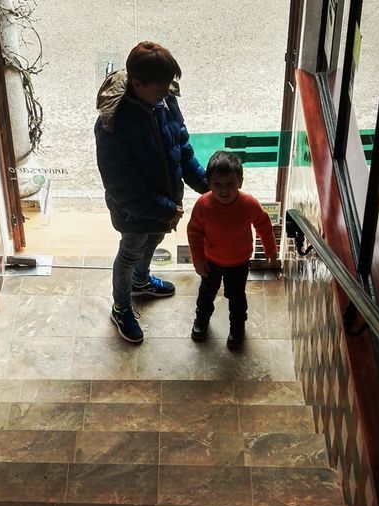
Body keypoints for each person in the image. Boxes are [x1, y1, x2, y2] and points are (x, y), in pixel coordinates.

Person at [95, 40, 208, 344]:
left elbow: (181, 145)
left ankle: (141, 282)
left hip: (165, 203)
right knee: (130, 251)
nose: (165, 96)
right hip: (134, 210)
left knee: (154, 239)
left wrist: (204, 183)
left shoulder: (164, 99)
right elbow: (122, 184)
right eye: (159, 90)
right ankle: (121, 307)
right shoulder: (113, 125)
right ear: (137, 83)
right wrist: (165, 209)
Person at [186, 150, 278, 350]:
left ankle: (237, 327)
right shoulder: (203, 205)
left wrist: (271, 250)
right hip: (210, 261)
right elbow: (194, 233)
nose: (224, 190)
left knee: (236, 297)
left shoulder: (249, 204)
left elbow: (263, 225)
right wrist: (198, 261)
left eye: (230, 184)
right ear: (209, 183)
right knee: (206, 294)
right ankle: (201, 321)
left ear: (240, 182)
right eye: (217, 184)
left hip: (239, 262)